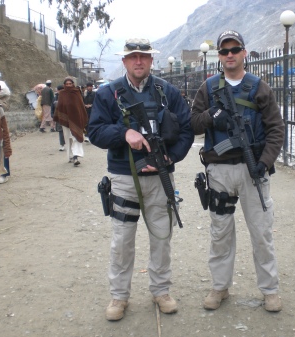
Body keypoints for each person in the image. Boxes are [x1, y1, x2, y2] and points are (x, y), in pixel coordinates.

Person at [88, 37, 194, 321]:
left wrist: (171, 158)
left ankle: (161, 291)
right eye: (133, 56)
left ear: (151, 61)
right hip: (125, 178)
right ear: (124, 61)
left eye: (144, 57)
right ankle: (119, 296)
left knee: (162, 236)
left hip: (161, 178)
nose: (138, 61)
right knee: (122, 240)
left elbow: (186, 129)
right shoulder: (108, 93)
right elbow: (95, 131)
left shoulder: (167, 91)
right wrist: (124, 134)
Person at [191, 30, 285, 312]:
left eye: (235, 49)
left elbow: (275, 129)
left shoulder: (259, 87)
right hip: (219, 171)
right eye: (224, 51)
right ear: (219, 56)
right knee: (220, 233)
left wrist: (264, 162)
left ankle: (270, 290)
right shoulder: (208, 88)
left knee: (261, 233)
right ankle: (219, 288)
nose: (229, 55)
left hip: (251, 170)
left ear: (244, 52)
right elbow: (193, 123)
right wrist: (212, 117)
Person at [53, 77, 88, 166]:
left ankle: (76, 156)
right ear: (64, 85)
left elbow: (80, 106)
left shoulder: (76, 93)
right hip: (66, 121)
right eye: (67, 84)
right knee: (68, 139)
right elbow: (60, 106)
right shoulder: (62, 94)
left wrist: (82, 117)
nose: (68, 85)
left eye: (70, 84)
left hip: (76, 120)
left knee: (76, 137)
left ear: (73, 84)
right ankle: (70, 156)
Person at [51, 85, 65, 151]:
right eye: (59, 90)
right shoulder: (55, 97)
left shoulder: (67, 96)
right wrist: (52, 114)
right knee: (60, 131)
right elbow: (52, 107)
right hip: (58, 116)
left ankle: (69, 144)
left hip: (66, 117)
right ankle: (62, 144)